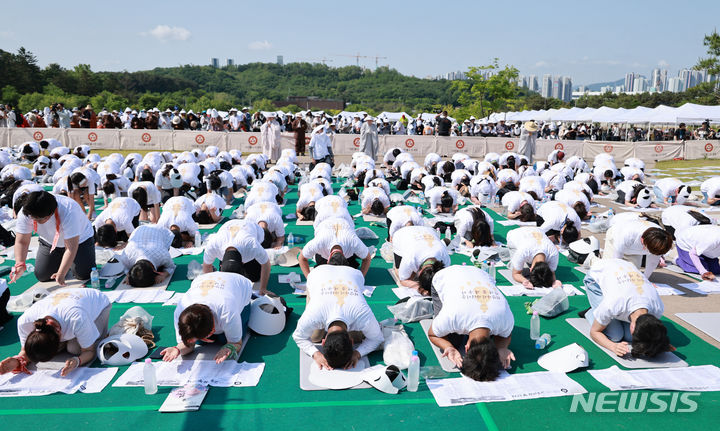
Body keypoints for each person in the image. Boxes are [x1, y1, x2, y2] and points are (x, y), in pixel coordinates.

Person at [428, 266, 514, 380]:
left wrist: (502, 348)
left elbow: (506, 335)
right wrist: (448, 346)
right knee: (453, 340)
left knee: (453, 339)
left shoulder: (505, 320)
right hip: (445, 275)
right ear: (467, 348)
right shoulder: (451, 317)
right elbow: (432, 334)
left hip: (481, 273)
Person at [0, 288, 111, 376]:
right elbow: (26, 351)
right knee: (40, 350)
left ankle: (74, 340)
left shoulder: (76, 319)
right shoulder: (25, 322)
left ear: (59, 334)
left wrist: (77, 361)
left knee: (74, 348)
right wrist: (18, 360)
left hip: (99, 305)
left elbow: (89, 351)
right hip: (65, 301)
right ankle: (73, 339)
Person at [292, 264, 383, 370]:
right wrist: (315, 354)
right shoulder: (312, 316)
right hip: (318, 274)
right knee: (314, 337)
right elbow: (298, 337)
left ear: (324, 342)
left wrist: (358, 353)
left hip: (352, 274)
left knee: (360, 337)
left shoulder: (362, 315)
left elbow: (377, 338)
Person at [582, 258, 672, 358]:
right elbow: (594, 332)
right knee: (615, 335)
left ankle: (606, 316)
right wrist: (613, 346)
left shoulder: (657, 309)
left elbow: (652, 334)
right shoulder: (613, 304)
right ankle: (591, 311)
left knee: (629, 336)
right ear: (632, 327)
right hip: (596, 279)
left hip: (623, 271)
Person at [160, 272, 253, 363]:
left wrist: (229, 347)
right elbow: (188, 344)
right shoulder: (180, 312)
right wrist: (178, 349)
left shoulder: (227, 310)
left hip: (240, 285)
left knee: (223, 340)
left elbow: (236, 343)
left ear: (212, 330)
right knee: (200, 341)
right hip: (204, 280)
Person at [12, 191, 95, 285]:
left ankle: (69, 261)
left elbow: (71, 248)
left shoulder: (69, 209)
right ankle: (62, 260)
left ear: (52, 212)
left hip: (80, 241)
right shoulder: (27, 211)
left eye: (40, 219)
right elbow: (22, 241)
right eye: (34, 219)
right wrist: (20, 263)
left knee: (84, 274)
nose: (37, 221)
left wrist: (61, 272)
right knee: (43, 275)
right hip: (49, 242)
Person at [202, 224, 271, 295]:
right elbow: (207, 265)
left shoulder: (253, 246)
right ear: (221, 265)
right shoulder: (213, 246)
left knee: (254, 277)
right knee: (225, 279)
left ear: (243, 263)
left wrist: (263, 288)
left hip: (253, 229)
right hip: (227, 228)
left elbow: (266, 264)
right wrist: (210, 288)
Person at [603, 220, 673, 279]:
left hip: (634, 248)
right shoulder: (628, 234)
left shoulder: (661, 241)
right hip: (615, 239)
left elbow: (653, 262)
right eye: (648, 250)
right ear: (642, 240)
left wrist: (645, 280)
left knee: (633, 274)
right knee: (608, 270)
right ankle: (592, 257)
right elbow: (616, 260)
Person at [392, 226, 451, 295]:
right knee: (400, 274)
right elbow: (403, 280)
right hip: (402, 234)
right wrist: (420, 289)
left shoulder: (444, 258)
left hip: (428, 230)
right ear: (419, 272)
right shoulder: (410, 257)